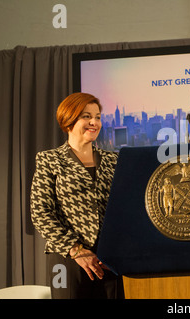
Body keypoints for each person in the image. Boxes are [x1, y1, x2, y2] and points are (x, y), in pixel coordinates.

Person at [30, 92, 124, 299]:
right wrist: (76, 251)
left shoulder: (114, 161)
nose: (94, 122)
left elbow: (123, 210)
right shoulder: (49, 160)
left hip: (108, 260)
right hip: (66, 258)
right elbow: (40, 212)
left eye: (98, 117)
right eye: (86, 116)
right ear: (68, 120)